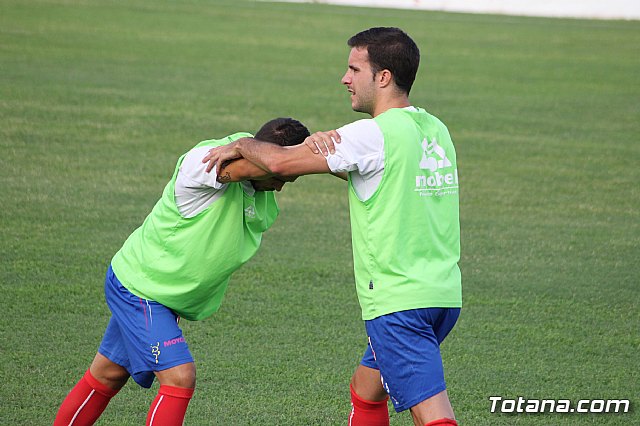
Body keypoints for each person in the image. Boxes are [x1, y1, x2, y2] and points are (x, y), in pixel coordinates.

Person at [202, 27, 462, 426]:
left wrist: (242, 145)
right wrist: (333, 154)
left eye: (354, 68)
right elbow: (380, 176)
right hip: (442, 296)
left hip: (399, 302)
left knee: (434, 415)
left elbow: (280, 165)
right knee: (365, 389)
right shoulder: (435, 130)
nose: (345, 78)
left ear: (383, 77)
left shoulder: (372, 134)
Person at [53, 118, 310, 426]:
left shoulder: (257, 176)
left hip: (162, 292)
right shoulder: (203, 163)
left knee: (107, 375)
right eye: (280, 177)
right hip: (142, 287)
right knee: (179, 378)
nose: (280, 187)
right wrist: (256, 152)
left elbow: (281, 167)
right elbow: (272, 166)